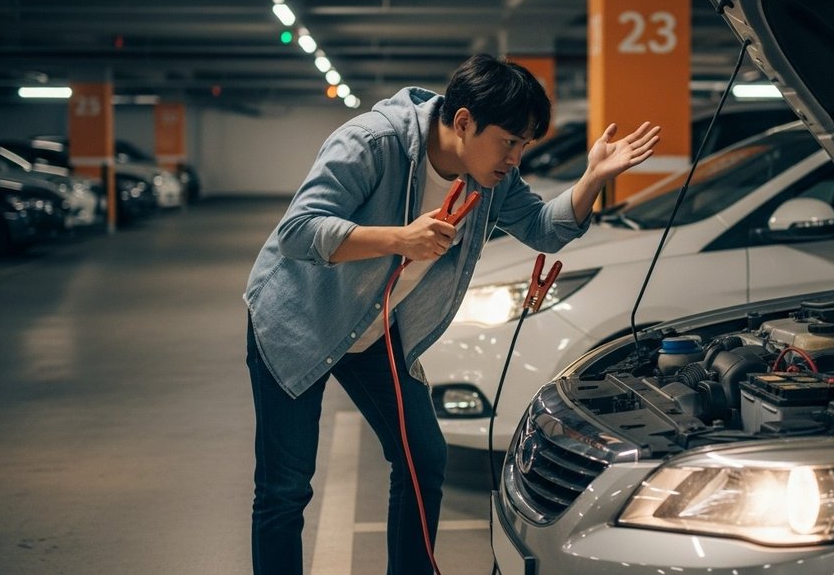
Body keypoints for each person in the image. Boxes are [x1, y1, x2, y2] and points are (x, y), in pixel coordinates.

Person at [243, 53, 661, 574]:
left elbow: (543, 228)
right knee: (286, 485)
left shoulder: (490, 177)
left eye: (524, 146)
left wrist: (593, 176)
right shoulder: (372, 143)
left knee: (423, 459)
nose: (515, 159)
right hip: (301, 320)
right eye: (509, 142)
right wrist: (400, 239)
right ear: (463, 121)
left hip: (377, 328)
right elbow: (298, 231)